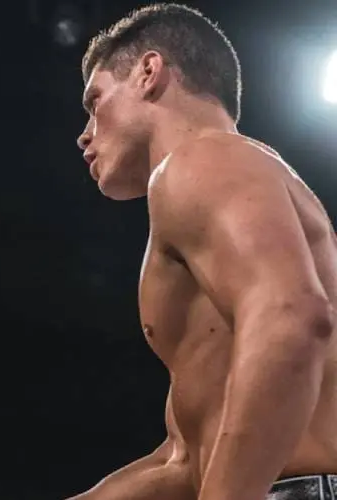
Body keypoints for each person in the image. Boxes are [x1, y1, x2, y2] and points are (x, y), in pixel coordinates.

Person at [71, 3, 337, 500]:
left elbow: (292, 317)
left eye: (95, 100)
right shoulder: (227, 176)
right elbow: (185, 460)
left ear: (148, 73)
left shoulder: (200, 159)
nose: (85, 133)